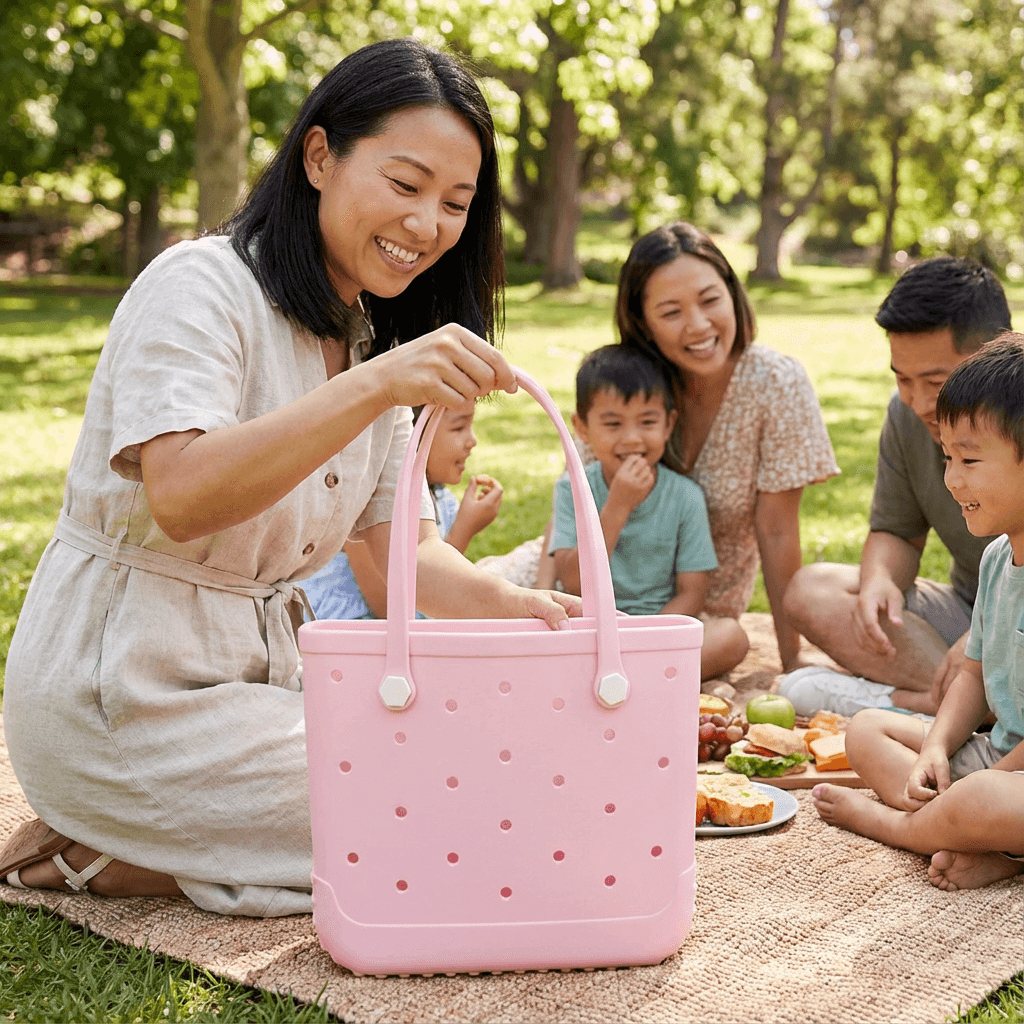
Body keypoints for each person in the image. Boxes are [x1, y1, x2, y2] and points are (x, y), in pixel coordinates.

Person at [0, 38, 579, 916]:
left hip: (265, 685)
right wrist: (376, 384)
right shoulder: (199, 286)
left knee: (496, 764)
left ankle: (144, 848)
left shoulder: (368, 346)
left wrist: (529, 610)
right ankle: (102, 852)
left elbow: (404, 554)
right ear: (319, 156)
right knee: (455, 816)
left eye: (456, 203)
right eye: (405, 184)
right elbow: (185, 496)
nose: (428, 225)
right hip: (120, 694)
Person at [813, 333, 1024, 891]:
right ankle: (985, 843)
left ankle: (901, 827)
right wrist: (937, 747)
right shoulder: (999, 559)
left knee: (983, 799)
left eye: (971, 460)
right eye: (948, 458)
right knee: (864, 731)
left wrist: (975, 790)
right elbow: (975, 674)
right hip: (1000, 761)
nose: (953, 479)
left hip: (1010, 783)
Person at [781, 256, 1012, 716]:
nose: (921, 403)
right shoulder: (906, 415)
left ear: (994, 351)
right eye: (903, 379)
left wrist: (988, 639)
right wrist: (880, 581)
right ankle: (957, 707)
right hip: (968, 612)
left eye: (936, 381)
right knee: (812, 589)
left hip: (1014, 622)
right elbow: (898, 532)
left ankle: (918, 705)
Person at [615, 222, 840, 674]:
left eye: (710, 300)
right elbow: (574, 508)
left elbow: (777, 532)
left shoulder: (776, 383)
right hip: (596, 601)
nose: (698, 325)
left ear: (732, 293)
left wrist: (791, 660)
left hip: (697, 621)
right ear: (642, 322)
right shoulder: (626, 384)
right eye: (671, 311)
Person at [549, 345, 745, 679]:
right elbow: (572, 583)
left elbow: (692, 592)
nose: (632, 438)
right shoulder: (573, 489)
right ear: (582, 428)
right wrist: (617, 507)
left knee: (731, 636)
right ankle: (649, 679)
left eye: (647, 421)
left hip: (658, 632)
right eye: (612, 424)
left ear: (669, 424)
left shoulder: (685, 497)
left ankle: (628, 676)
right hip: (590, 631)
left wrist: (645, 638)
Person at [298, 397, 503, 619]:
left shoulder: (444, 501)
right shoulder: (368, 503)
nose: (472, 440)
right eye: (458, 428)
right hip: (347, 636)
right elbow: (392, 608)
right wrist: (463, 530)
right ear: (408, 434)